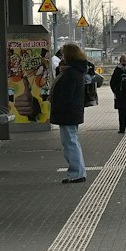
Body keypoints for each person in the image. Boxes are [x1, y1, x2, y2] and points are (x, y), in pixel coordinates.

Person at [49, 43, 91, 184]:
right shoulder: (75, 70)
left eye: (64, 53)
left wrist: (57, 105)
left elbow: (65, 94)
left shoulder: (71, 73)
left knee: (70, 142)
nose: (62, 56)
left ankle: (77, 173)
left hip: (67, 112)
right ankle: (77, 172)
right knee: (71, 141)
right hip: (71, 111)